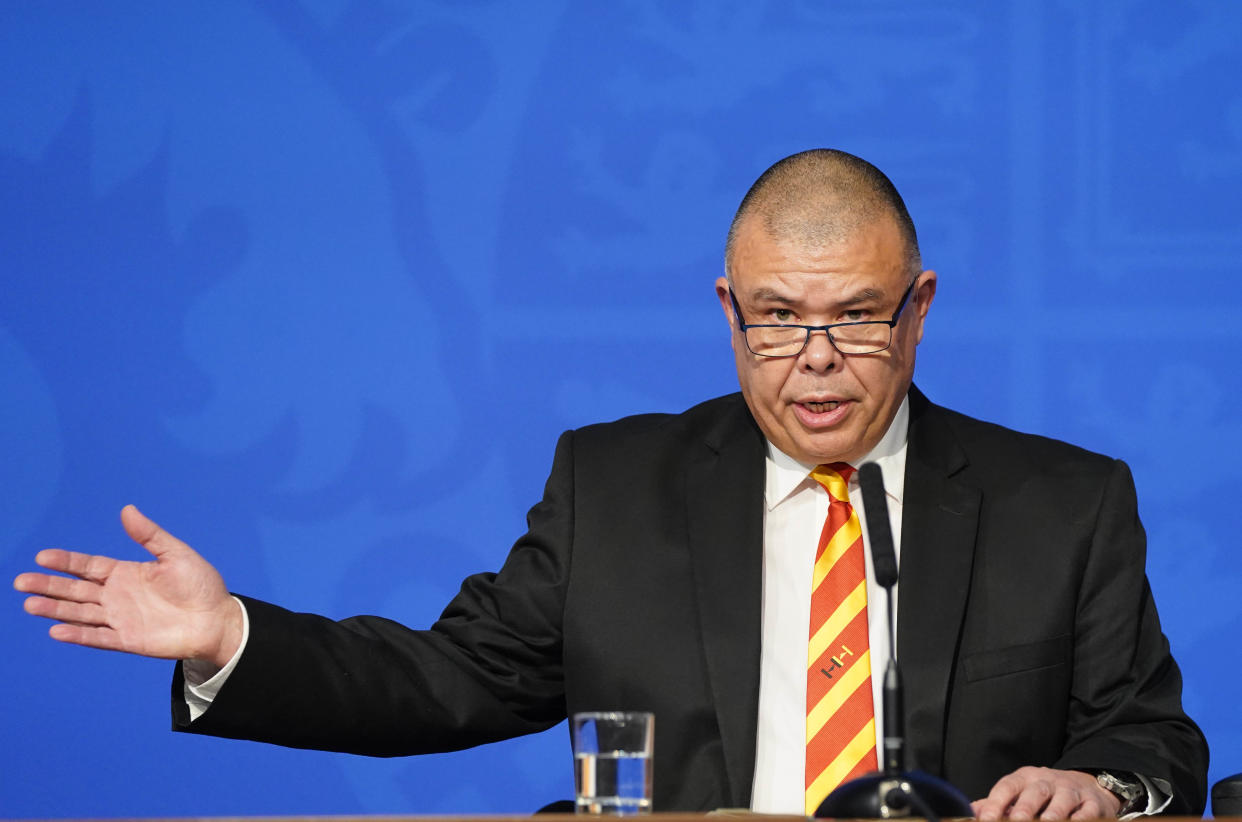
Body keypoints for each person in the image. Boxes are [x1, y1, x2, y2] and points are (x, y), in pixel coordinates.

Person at [15, 149, 1207, 818]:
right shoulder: (615, 485)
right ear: (729, 310)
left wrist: (1100, 786)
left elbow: (1154, 736)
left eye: (856, 318)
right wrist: (229, 637)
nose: (818, 362)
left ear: (921, 308)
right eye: (779, 322)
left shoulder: (1066, 502)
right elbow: (449, 683)